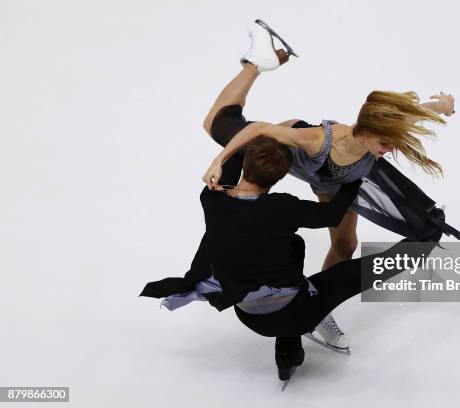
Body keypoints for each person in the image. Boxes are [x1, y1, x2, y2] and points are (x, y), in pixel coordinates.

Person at [201, 19, 460, 349]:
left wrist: (443, 106)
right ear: (365, 132)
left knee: (345, 245)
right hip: (293, 157)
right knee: (218, 124)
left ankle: (318, 308)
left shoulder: (380, 132)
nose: (390, 150)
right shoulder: (314, 139)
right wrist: (219, 161)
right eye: (384, 144)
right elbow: (259, 130)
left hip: (335, 182)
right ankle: (257, 62)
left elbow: (415, 111)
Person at [140, 135, 437, 383]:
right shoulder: (281, 207)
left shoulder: (213, 198)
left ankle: (287, 353)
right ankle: (426, 240)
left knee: (290, 247)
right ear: (282, 177)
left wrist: (224, 157)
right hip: (296, 311)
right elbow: (333, 215)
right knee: (355, 273)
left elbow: (231, 156)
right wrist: (352, 177)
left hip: (249, 315)